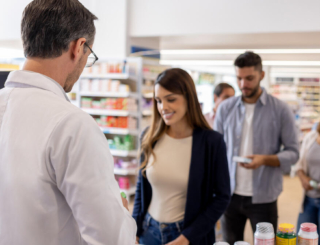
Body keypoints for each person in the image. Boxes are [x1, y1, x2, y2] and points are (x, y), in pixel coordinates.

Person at [0, 0, 136, 244]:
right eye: (89, 55)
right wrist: (123, 218)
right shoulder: (72, 125)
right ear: (78, 47)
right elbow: (110, 239)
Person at [133, 68, 231, 245]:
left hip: (186, 235)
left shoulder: (212, 142)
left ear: (189, 98)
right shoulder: (149, 137)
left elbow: (222, 197)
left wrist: (186, 238)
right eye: (158, 101)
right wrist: (134, 230)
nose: (163, 107)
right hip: (149, 232)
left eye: (171, 99)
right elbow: (142, 187)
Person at [214, 51, 299, 244]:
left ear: (262, 75)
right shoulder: (225, 109)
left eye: (249, 78)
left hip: (264, 197)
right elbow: (216, 151)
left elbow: (293, 152)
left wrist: (265, 160)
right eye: (239, 78)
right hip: (229, 195)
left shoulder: (280, 110)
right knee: (229, 241)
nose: (243, 84)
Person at [295, 122, 320, 244]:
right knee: (302, 240)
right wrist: (303, 177)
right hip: (309, 199)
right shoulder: (311, 137)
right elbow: (299, 164)